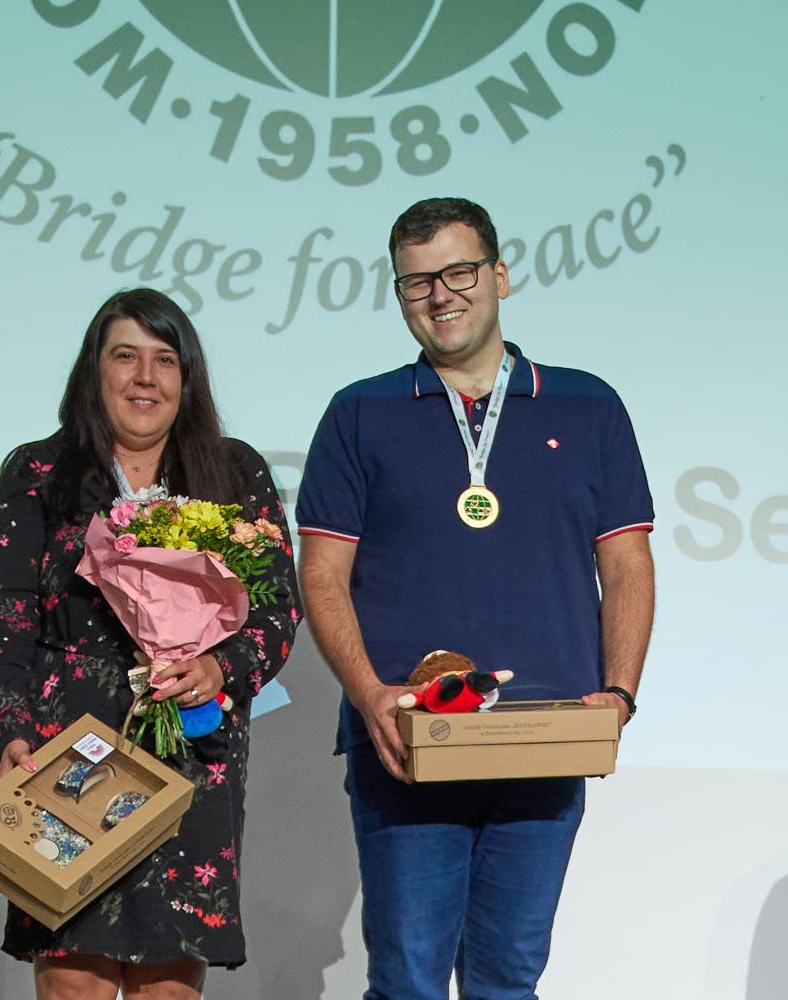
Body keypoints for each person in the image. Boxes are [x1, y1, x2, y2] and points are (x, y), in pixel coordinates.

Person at [296, 197, 654, 1000]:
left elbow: (627, 563)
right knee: (409, 980)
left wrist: (621, 694)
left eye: (459, 272)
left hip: (546, 734)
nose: (440, 294)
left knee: (508, 980)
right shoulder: (359, 413)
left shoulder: (588, 405)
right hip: (409, 738)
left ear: (500, 275)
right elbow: (321, 574)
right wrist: (368, 695)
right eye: (416, 281)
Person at [0, 288, 300, 1000]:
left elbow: (278, 610)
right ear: (95, 371)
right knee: (73, 981)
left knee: (168, 987)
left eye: (164, 360)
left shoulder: (235, 473)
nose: (145, 378)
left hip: (193, 747)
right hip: (70, 746)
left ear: (188, 379)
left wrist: (219, 667)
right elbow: (2, 618)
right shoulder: (37, 472)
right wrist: (15, 732)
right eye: (126, 357)